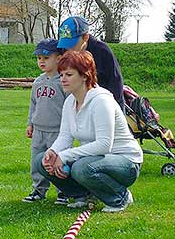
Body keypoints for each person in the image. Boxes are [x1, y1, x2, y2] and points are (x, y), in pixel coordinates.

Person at [35, 51, 143, 213]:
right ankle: (82, 196)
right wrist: (53, 152)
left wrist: (64, 156)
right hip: (93, 159)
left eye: (69, 74)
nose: (62, 79)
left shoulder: (101, 101)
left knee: (81, 168)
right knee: (41, 161)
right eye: (61, 74)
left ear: (85, 76)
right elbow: (65, 136)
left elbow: (104, 145)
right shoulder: (70, 101)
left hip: (126, 162)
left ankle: (120, 197)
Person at [22, 38, 68, 205]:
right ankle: (38, 190)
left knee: (57, 161)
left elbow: (70, 107)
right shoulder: (38, 82)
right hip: (39, 130)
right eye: (39, 58)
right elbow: (33, 105)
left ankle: (63, 191)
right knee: (37, 161)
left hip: (57, 131)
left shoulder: (64, 82)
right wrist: (30, 123)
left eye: (46, 57)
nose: (41, 61)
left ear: (58, 58)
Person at [57, 16, 124, 110]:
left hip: (103, 104)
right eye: (65, 44)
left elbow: (116, 83)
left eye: (72, 44)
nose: (68, 49)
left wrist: (113, 109)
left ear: (86, 37)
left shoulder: (102, 51)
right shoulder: (63, 51)